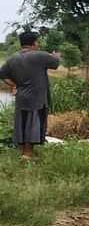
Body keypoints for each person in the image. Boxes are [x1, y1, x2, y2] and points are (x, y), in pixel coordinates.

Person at [0, 31, 60, 160]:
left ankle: (22, 152)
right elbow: (55, 64)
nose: (38, 44)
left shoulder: (12, 58)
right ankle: (27, 155)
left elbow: (2, 75)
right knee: (32, 125)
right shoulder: (40, 55)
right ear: (33, 43)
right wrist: (56, 56)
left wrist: (14, 85)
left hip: (22, 97)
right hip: (36, 98)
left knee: (22, 123)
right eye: (37, 42)